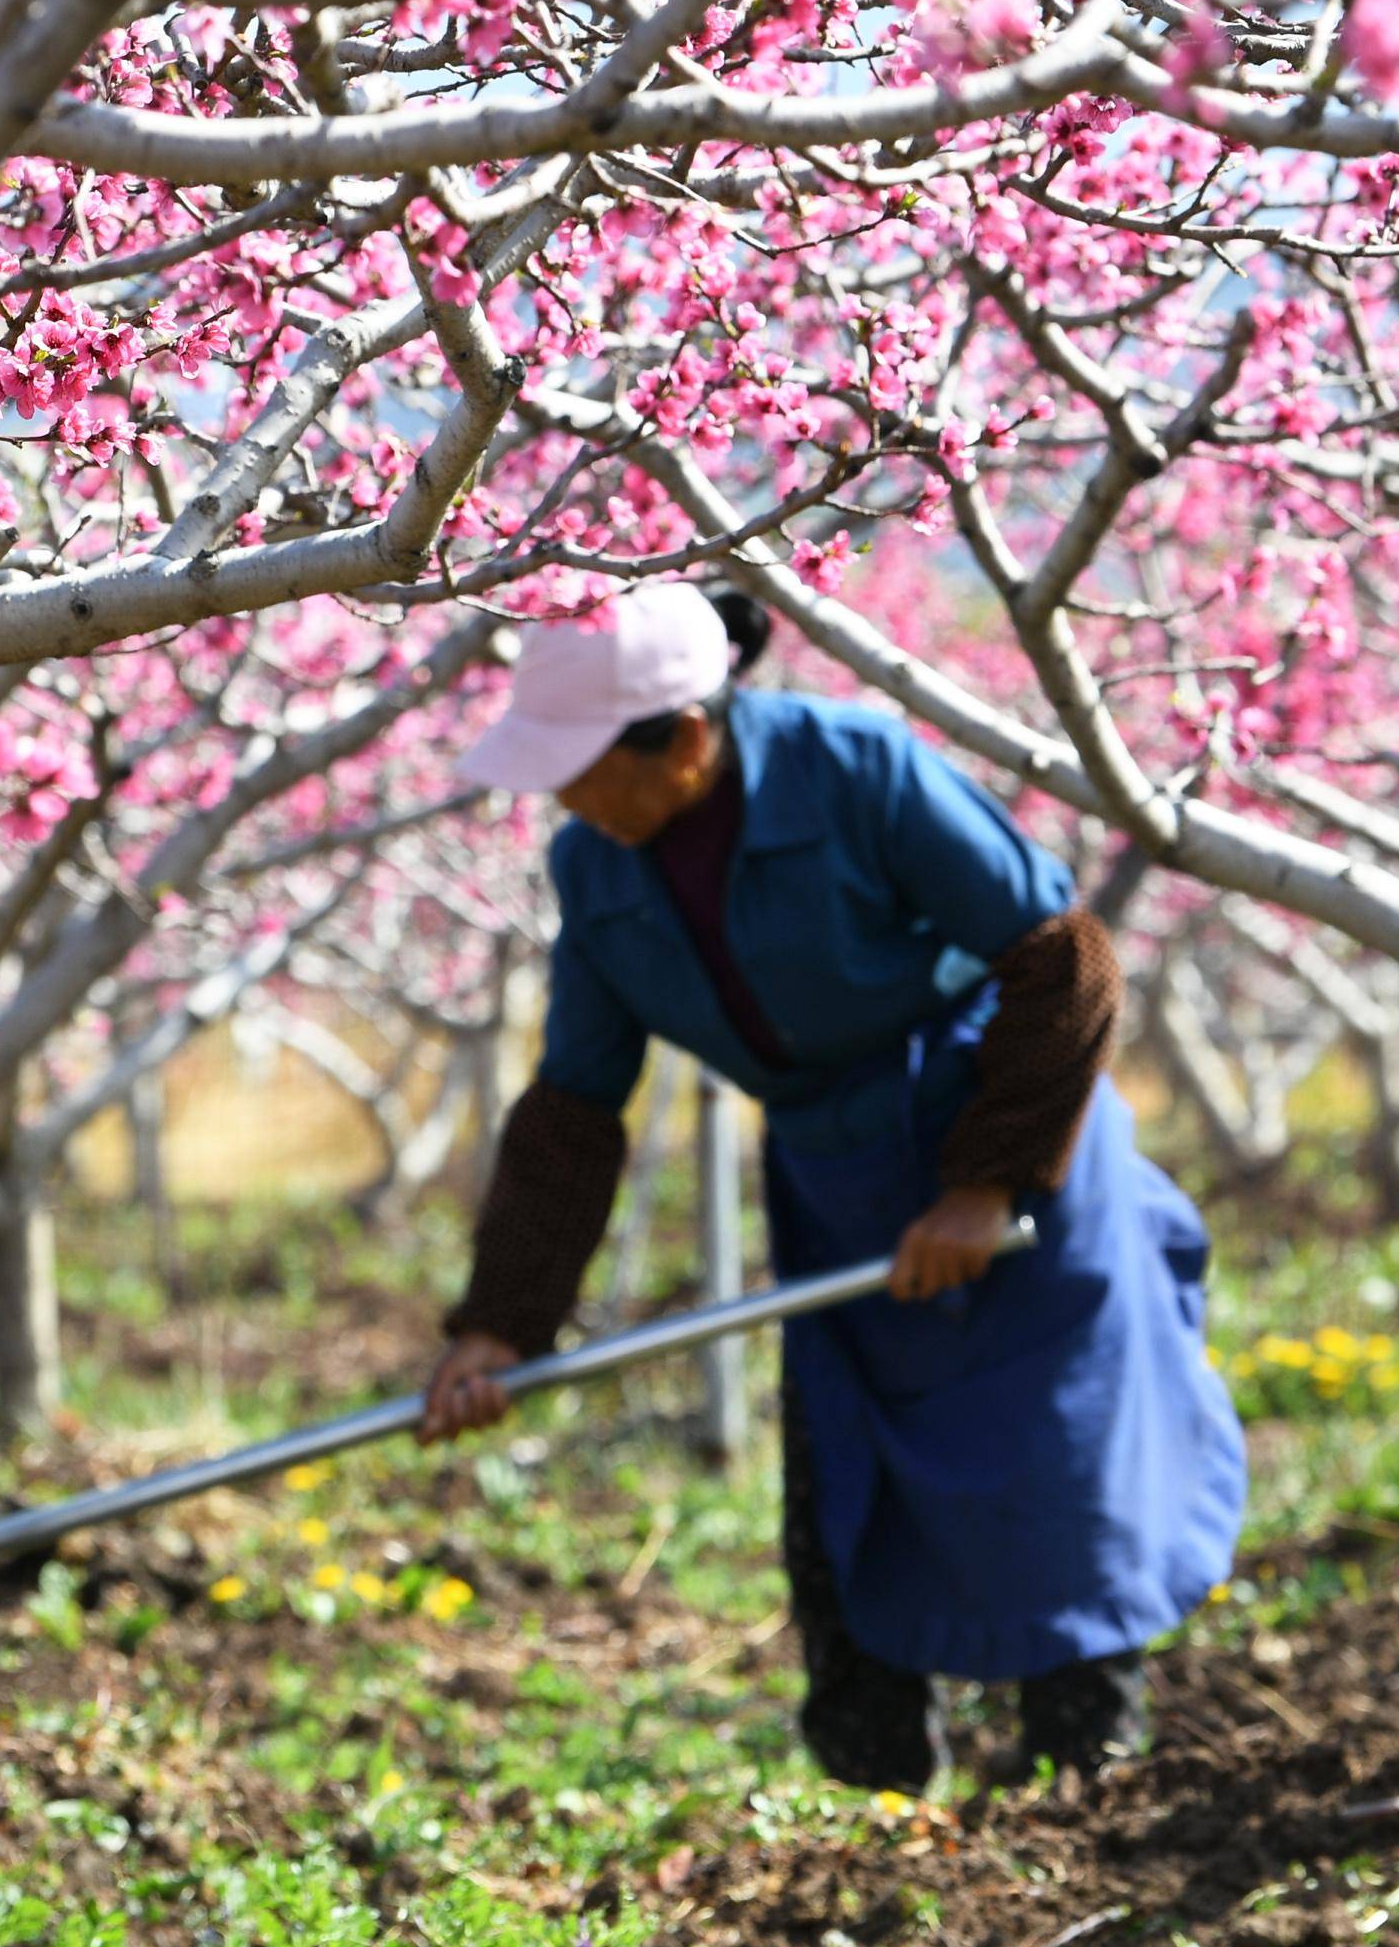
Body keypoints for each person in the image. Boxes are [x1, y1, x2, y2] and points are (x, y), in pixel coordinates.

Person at [420, 584, 1245, 1789]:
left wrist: (985, 1184)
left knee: (1055, 1472)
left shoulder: (852, 768)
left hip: (1010, 1142)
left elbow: (1062, 960)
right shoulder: (593, 868)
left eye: (585, 769)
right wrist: (500, 1321)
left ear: (687, 739)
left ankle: (1086, 1780)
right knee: (853, 1487)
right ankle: (879, 1806)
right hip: (839, 1177)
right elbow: (575, 1105)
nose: (565, 798)